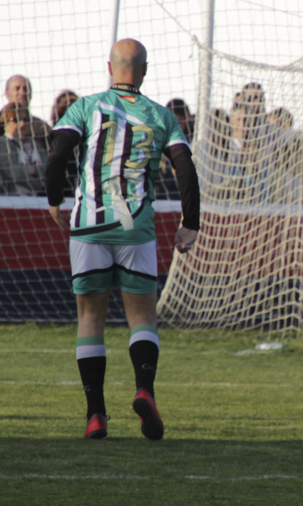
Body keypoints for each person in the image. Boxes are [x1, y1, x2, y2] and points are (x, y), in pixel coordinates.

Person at [45, 38, 201, 439]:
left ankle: (95, 414)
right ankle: (145, 390)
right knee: (142, 318)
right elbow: (185, 168)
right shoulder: (161, 116)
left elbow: (59, 153)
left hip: (89, 226)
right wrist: (191, 222)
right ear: (144, 70)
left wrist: (54, 200)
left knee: (90, 318)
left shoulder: (84, 107)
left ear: (110, 68)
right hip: (136, 228)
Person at [0, 103, 50, 195]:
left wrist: (35, 170)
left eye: (25, 120)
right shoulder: (1, 143)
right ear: (5, 122)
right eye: (16, 120)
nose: (22, 124)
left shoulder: (34, 145)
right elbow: (16, 174)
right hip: (11, 199)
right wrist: (41, 186)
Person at [0, 75, 51, 140]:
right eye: (17, 88)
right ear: (7, 93)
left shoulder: (40, 126)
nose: (22, 92)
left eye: (25, 89)